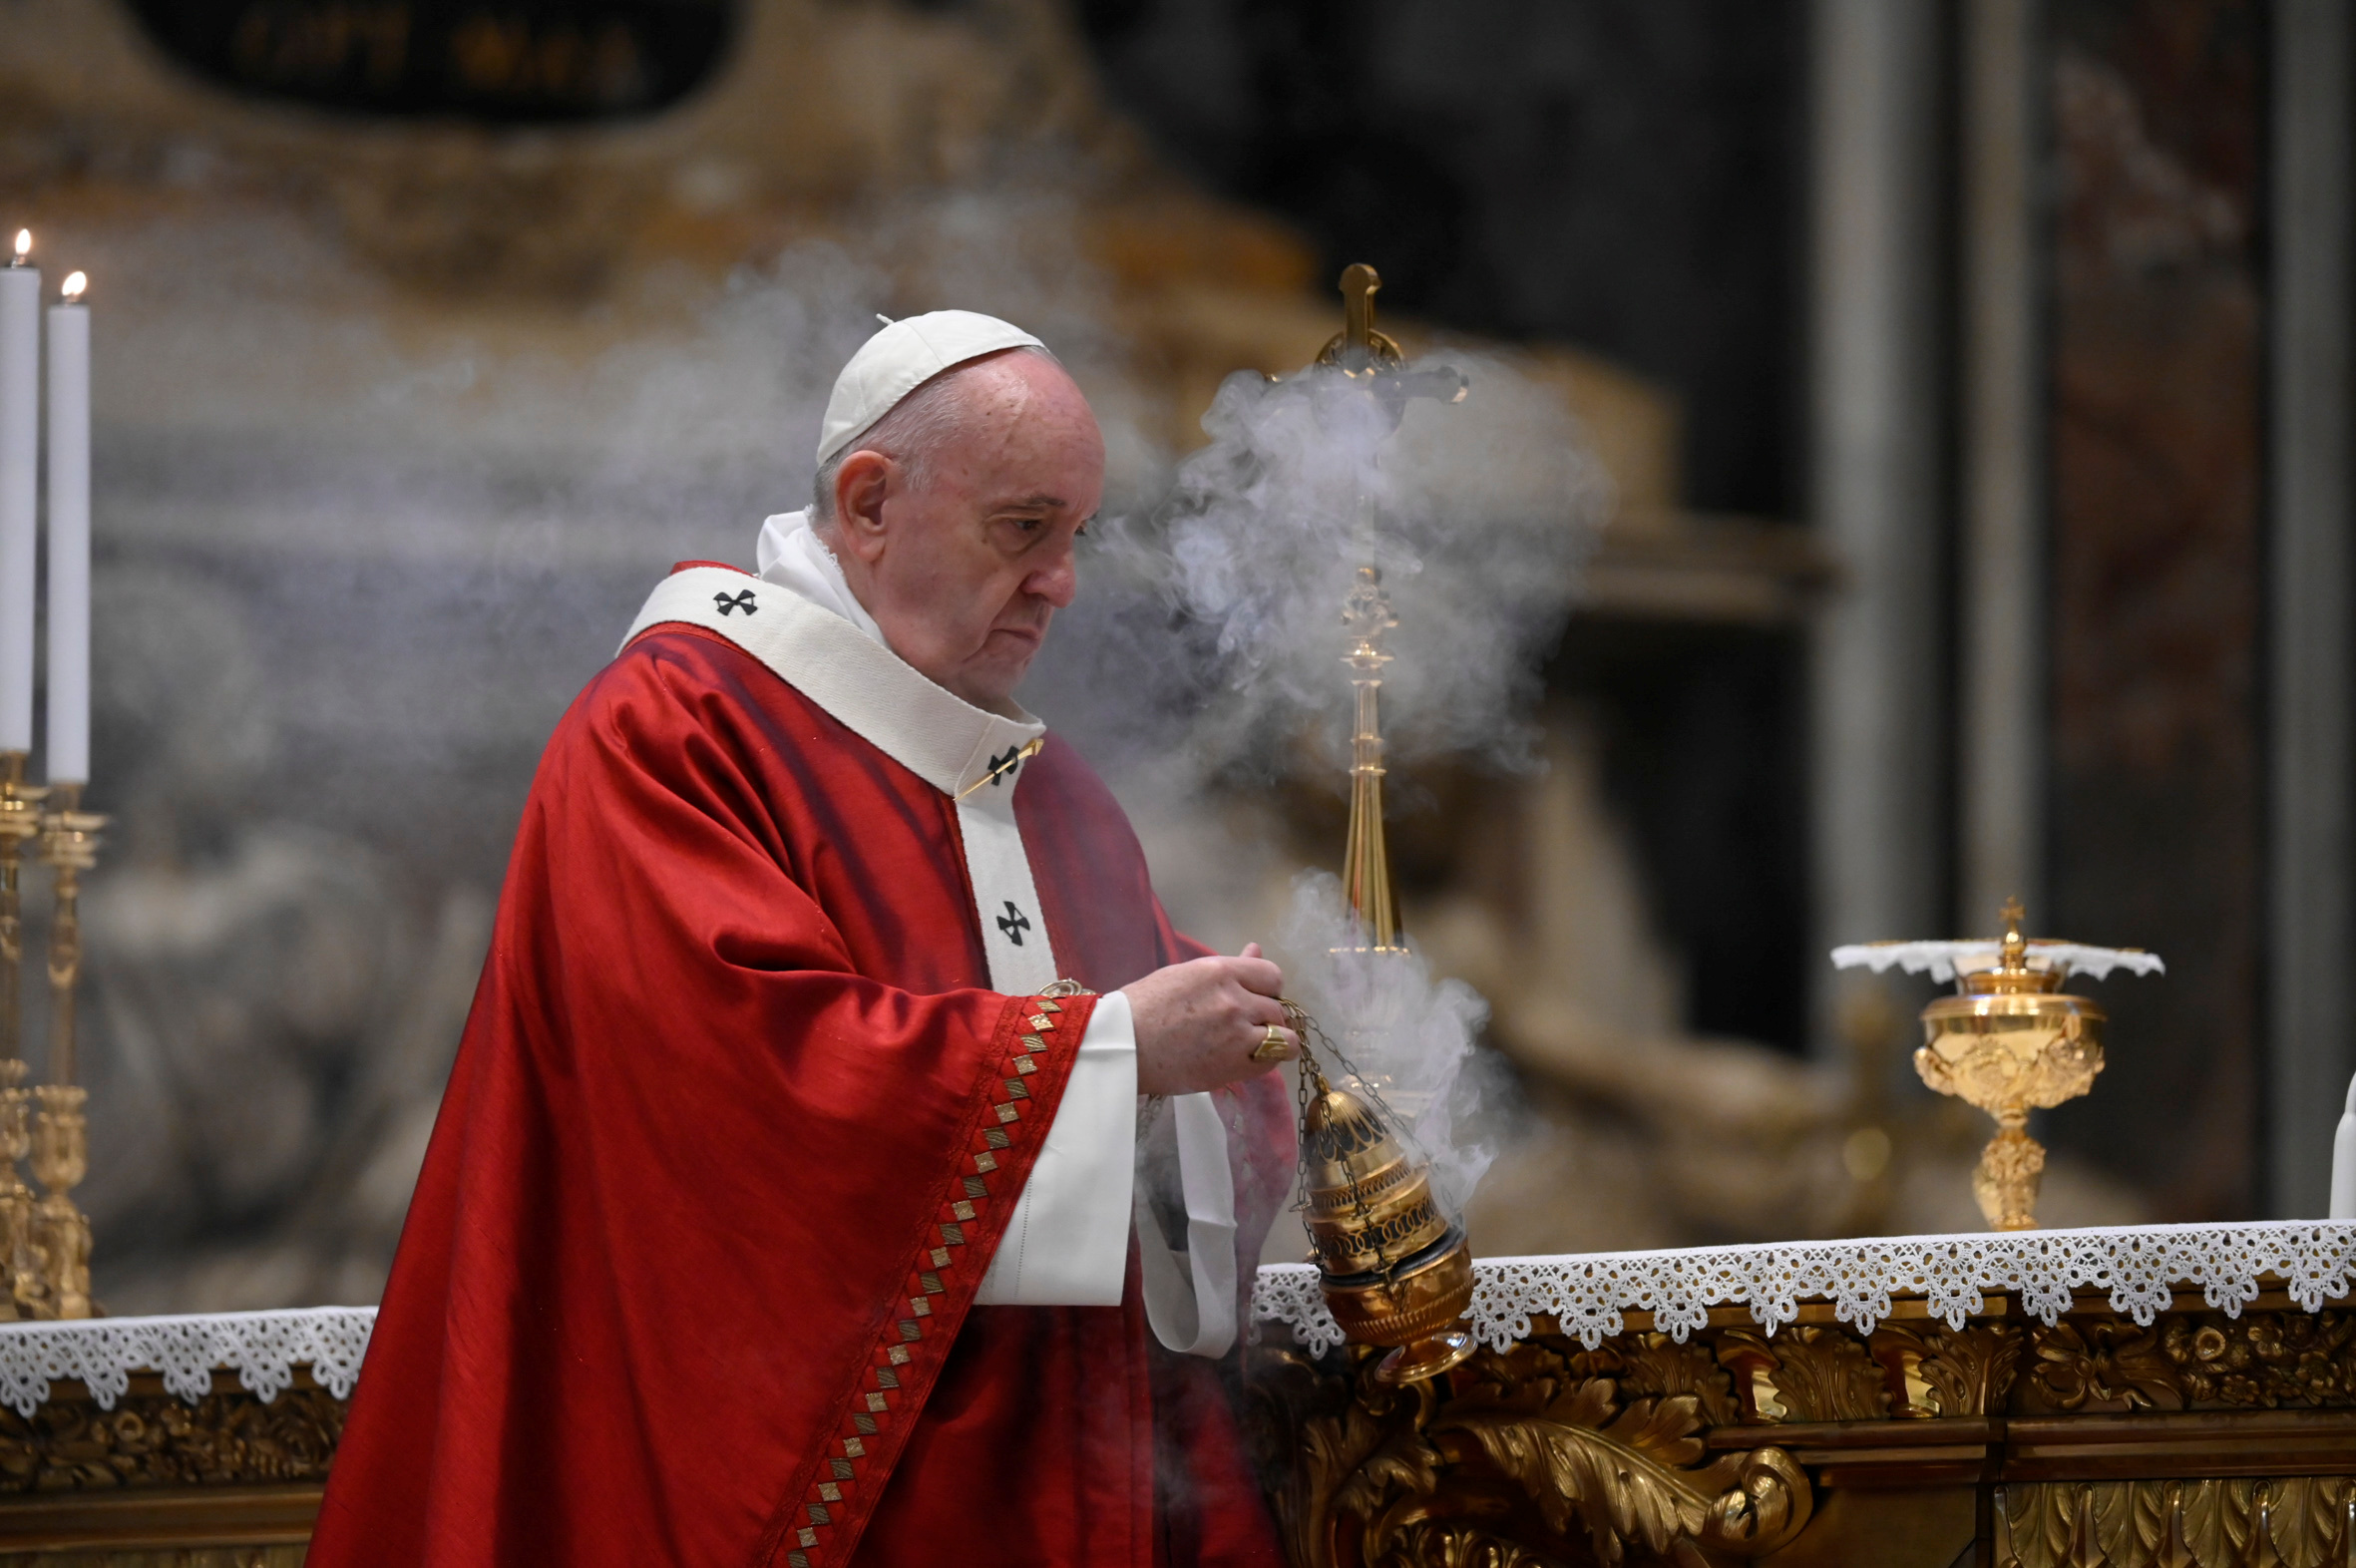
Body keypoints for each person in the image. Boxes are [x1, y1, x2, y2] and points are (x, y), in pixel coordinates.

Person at [308, 311, 1301, 1567]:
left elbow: (1179, 1116)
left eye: (1074, 536)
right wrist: (1108, 1054)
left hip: (1063, 1470)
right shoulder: (674, 733)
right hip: (824, 1492)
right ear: (871, 501)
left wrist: (1238, 1073)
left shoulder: (1049, 793)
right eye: (1022, 529)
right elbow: (743, 1092)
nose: (1062, 580)